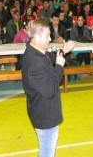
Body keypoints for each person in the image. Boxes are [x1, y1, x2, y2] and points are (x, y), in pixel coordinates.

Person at [20, 19, 74, 157]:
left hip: (44, 111)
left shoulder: (36, 51)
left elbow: (50, 59)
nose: (50, 39)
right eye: (47, 35)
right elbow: (50, 89)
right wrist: (60, 67)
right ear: (36, 37)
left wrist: (63, 50)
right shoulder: (34, 62)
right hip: (45, 116)